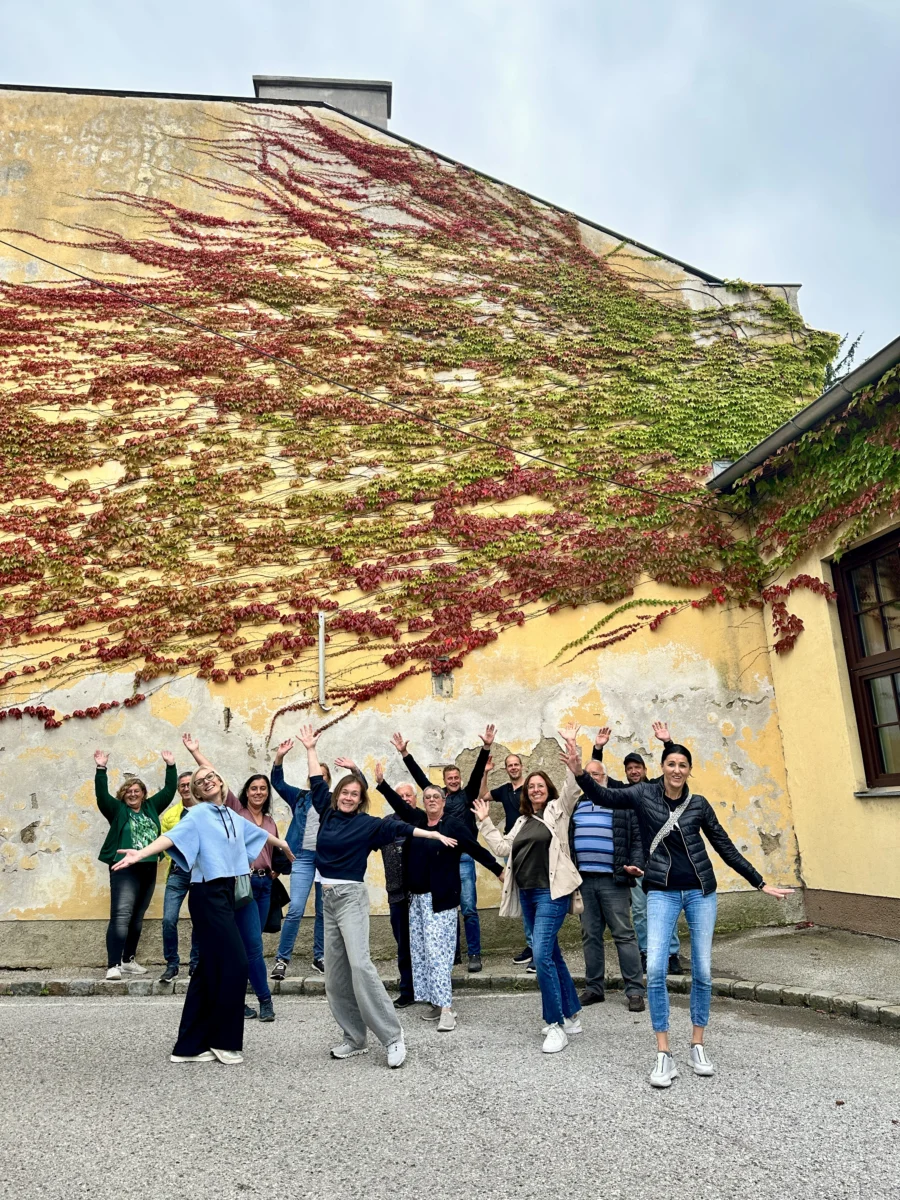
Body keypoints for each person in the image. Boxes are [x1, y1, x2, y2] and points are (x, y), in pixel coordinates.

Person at [561, 733, 794, 1088]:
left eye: (683, 765)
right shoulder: (643, 794)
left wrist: (759, 882)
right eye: (671, 764)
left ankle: (697, 1044)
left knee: (702, 969)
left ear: (689, 770)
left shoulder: (698, 805)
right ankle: (663, 1053)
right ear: (662, 767)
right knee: (655, 968)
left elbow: (724, 845)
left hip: (701, 893)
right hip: (662, 892)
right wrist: (580, 772)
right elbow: (605, 796)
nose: (677, 770)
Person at [297, 725, 457, 1069]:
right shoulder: (327, 812)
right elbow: (316, 781)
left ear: (361, 798)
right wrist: (311, 748)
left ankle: (392, 1036)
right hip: (327, 898)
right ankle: (354, 1038)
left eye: (355, 793)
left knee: (360, 966)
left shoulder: (368, 824)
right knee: (335, 977)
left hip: (351, 899)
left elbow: (400, 827)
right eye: (345, 792)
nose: (348, 797)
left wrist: (432, 835)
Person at [112, 764, 293, 1064]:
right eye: (199, 781)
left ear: (220, 781)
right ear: (196, 791)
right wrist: (141, 853)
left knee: (208, 969)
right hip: (208, 894)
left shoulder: (231, 815)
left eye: (211, 776)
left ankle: (189, 1047)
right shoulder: (197, 815)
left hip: (228, 893)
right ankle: (222, 1041)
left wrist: (282, 843)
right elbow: (171, 838)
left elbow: (257, 833)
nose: (206, 781)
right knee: (236, 963)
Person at [375, 763, 504, 1032]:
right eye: (428, 797)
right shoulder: (419, 822)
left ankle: (447, 1010)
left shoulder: (453, 825)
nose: (432, 800)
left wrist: (499, 871)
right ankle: (436, 1001)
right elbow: (400, 806)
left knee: (438, 955)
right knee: (422, 954)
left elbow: (475, 849)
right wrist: (382, 784)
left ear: (444, 801)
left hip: (441, 900)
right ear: (423, 802)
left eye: (436, 796)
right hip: (417, 901)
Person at [472, 745, 583, 1054]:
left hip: (552, 893)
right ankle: (572, 1014)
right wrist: (485, 821)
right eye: (531, 786)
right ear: (526, 793)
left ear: (548, 789)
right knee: (552, 954)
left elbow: (572, 790)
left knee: (542, 955)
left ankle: (555, 1024)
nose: (535, 789)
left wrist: (574, 763)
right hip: (528, 895)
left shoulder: (557, 811)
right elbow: (502, 848)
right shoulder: (522, 822)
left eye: (540, 785)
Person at [181, 735, 279, 1022]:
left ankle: (264, 1000)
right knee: (232, 948)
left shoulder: (270, 820)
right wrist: (197, 752)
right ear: (244, 792)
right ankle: (239, 1002)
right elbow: (212, 779)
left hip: (259, 886)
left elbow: (269, 846)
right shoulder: (235, 810)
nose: (258, 793)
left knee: (253, 946)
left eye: (263, 789)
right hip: (231, 887)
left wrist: (276, 865)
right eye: (253, 788)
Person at [390, 726, 494, 972]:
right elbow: (420, 779)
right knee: (446, 907)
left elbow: (477, 773)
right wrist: (405, 754)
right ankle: (452, 954)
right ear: (444, 782)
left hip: (464, 857)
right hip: (440, 859)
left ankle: (474, 954)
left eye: (457, 777)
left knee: (468, 907)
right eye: (450, 778)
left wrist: (486, 747)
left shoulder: (467, 795)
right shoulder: (437, 797)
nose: (454, 781)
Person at [592, 723, 683, 974]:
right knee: (641, 910)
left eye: (637, 767)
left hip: (662, 859)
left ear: (645, 769)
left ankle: (671, 954)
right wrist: (598, 749)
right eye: (629, 768)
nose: (633, 771)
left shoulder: (657, 788)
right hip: (637, 862)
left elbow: (674, 770)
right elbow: (596, 777)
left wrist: (667, 742)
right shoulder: (622, 792)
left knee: (666, 908)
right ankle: (646, 952)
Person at [269, 743, 361, 982]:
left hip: (326, 860)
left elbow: (361, 791)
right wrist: (279, 757)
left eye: (323, 775)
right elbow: (277, 782)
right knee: (296, 909)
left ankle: (320, 957)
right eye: (314, 774)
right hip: (301, 858)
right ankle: (282, 959)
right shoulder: (299, 797)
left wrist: (354, 769)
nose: (317, 778)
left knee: (323, 911)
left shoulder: (335, 801)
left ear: (327, 780)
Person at [93, 748, 177, 981]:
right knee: (121, 915)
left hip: (148, 867)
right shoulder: (117, 810)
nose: (132, 794)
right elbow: (101, 795)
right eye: (128, 791)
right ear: (123, 795)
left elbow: (169, 790)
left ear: (143, 794)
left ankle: (128, 960)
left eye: (136, 791)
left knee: (137, 917)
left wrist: (171, 765)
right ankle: (113, 965)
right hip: (124, 868)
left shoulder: (151, 807)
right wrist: (101, 769)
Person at [570, 756, 646, 1012]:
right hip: (584, 880)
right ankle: (594, 988)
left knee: (624, 935)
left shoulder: (620, 802)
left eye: (597, 774)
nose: (592, 778)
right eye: (588, 774)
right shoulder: (576, 804)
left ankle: (634, 990)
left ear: (605, 778)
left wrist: (636, 864)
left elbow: (637, 839)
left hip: (613, 880)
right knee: (590, 935)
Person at [478, 752, 533, 968]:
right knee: (523, 897)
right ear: (506, 769)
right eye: (509, 765)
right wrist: (485, 772)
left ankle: (538, 948)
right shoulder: (505, 790)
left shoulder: (531, 787)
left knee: (532, 895)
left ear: (522, 766)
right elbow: (482, 796)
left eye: (516, 764)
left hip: (530, 845)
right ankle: (532, 945)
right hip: (509, 847)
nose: (513, 768)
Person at [159, 771, 200, 983]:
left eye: (188, 784)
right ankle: (172, 964)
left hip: (200, 872)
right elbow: (165, 843)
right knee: (169, 919)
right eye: (182, 785)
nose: (185, 788)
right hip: (178, 872)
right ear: (178, 789)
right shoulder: (170, 816)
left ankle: (196, 964)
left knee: (199, 919)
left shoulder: (205, 810)